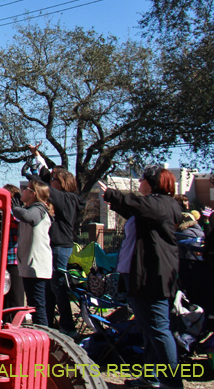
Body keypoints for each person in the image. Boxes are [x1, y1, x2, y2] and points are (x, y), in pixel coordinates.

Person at [102, 166, 182, 389]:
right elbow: (134, 211)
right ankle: (151, 376)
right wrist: (115, 202)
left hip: (151, 277)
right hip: (139, 276)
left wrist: (113, 194)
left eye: (143, 179)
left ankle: (172, 383)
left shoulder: (161, 204)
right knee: (148, 329)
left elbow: (138, 206)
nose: (139, 181)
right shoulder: (153, 207)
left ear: (154, 183)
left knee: (158, 329)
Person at [29, 146, 86, 338]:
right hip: (53, 246)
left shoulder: (68, 199)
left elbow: (45, 184)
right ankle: (49, 324)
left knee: (58, 285)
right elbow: (45, 176)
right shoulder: (62, 197)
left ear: (62, 183)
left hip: (60, 247)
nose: (50, 182)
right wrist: (37, 157)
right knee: (49, 286)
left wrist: (36, 178)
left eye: (54, 180)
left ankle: (68, 327)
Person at [12, 179, 54, 326]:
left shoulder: (39, 209)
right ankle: (40, 336)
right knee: (34, 306)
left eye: (25, 189)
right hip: (30, 266)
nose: (22, 191)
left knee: (38, 307)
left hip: (37, 266)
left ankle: (43, 338)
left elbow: (30, 218)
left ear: (33, 194)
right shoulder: (31, 208)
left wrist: (15, 208)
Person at [2, 183, 25, 320]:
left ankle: (16, 322)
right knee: (4, 298)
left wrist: (14, 208)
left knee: (16, 297)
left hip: (14, 259)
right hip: (3, 259)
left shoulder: (17, 213)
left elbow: (18, 222)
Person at [175, 211, 205, 308]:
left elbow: (192, 252)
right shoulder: (200, 232)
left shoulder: (184, 233)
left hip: (189, 267)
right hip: (201, 266)